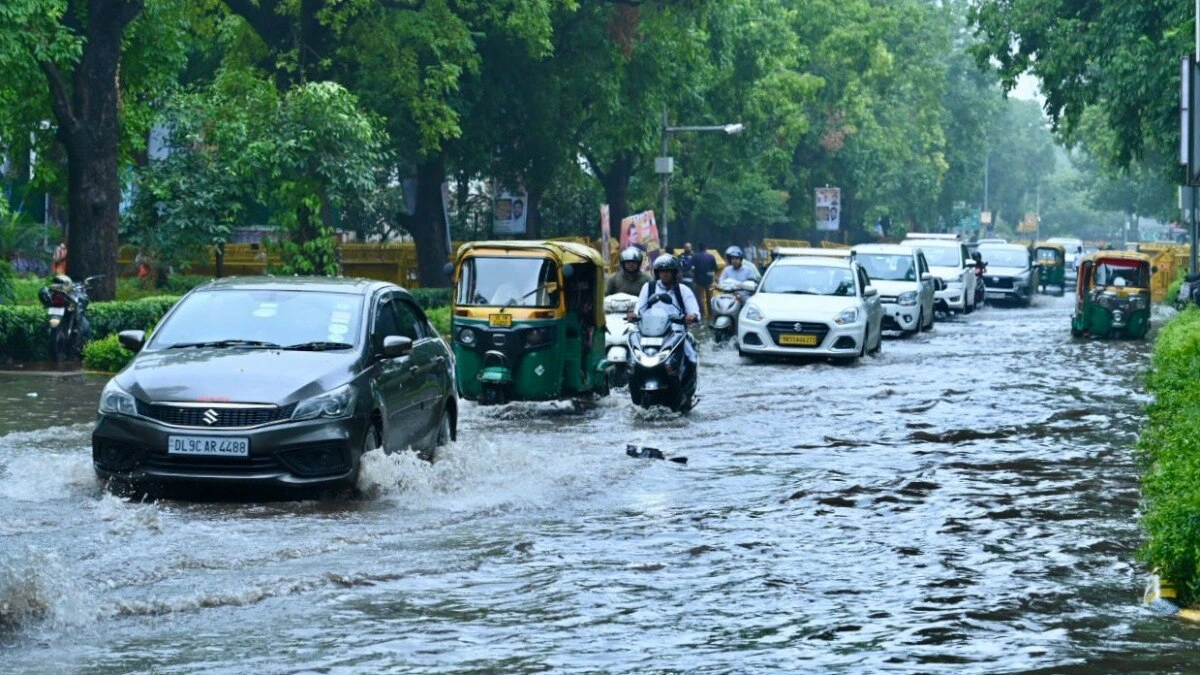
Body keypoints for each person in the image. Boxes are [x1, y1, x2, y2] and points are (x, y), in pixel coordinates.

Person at [636, 254, 700, 374]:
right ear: (657, 272)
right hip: (651, 333)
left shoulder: (683, 290)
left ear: (674, 273)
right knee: (634, 358)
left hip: (676, 333)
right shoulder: (648, 287)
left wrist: (692, 316)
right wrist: (634, 315)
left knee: (691, 359)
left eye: (668, 271)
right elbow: (639, 309)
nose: (664, 274)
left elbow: (694, 311)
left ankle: (686, 384)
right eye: (662, 271)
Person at [692, 242, 718, 319]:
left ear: (698, 248)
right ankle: (711, 315)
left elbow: (690, 267)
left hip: (699, 281)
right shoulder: (711, 256)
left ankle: (702, 314)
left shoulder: (695, 257)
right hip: (709, 280)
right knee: (710, 297)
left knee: (700, 298)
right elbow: (715, 268)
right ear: (706, 248)